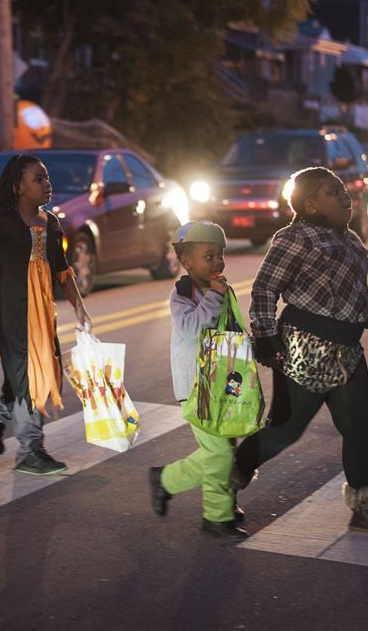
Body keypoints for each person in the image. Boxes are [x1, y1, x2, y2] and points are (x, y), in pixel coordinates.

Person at [231, 166, 368, 536]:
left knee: (359, 429)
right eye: (334, 192)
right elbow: (265, 289)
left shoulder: (350, 240)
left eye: (344, 190)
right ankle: (225, 483)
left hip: (347, 350)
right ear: (312, 204)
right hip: (304, 348)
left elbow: (359, 299)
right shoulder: (295, 237)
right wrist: (265, 340)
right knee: (287, 430)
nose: (345, 196)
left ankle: (364, 509)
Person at [0, 154, 93, 476]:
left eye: (47, 178)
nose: (47, 185)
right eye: (39, 179)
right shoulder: (2, 221)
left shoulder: (52, 223)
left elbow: (62, 270)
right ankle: (30, 450)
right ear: (19, 187)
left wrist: (79, 306)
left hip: (43, 312)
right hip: (13, 312)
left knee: (48, 373)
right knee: (29, 378)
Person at [147, 221, 249, 542]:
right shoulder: (183, 295)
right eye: (209, 256)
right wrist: (215, 298)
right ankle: (215, 518)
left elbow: (232, 330)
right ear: (186, 262)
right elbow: (192, 329)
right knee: (218, 452)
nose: (217, 262)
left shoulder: (222, 290)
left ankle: (209, 497)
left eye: (221, 255)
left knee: (224, 449)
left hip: (224, 383)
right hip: (196, 387)